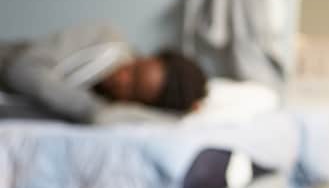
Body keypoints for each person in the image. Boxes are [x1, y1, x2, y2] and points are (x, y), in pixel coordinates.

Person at [0, 21, 207, 123]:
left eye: (133, 89)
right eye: (134, 69)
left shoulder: (115, 111)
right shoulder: (104, 40)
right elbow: (22, 71)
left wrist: (178, 114)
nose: (122, 78)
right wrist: (91, 110)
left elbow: (164, 122)